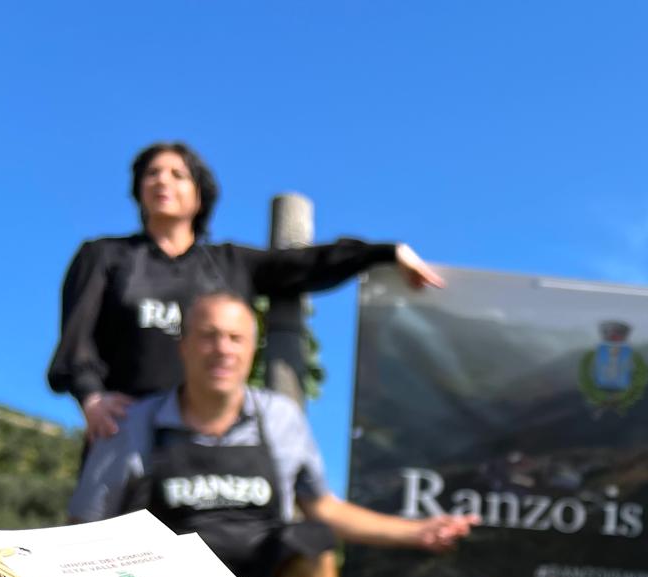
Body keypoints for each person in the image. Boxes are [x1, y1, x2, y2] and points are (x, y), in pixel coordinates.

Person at [70, 291, 476, 577]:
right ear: (185, 347)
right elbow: (85, 528)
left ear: (252, 349)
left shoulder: (281, 418)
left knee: (314, 543)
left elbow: (325, 509)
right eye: (209, 336)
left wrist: (419, 532)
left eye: (235, 338)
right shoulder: (130, 425)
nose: (222, 349)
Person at [48, 141, 443, 441]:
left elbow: (307, 264)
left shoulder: (229, 264)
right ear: (138, 189)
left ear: (200, 194)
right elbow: (77, 338)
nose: (161, 181)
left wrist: (384, 253)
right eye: (152, 173)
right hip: (126, 431)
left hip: (210, 440)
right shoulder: (104, 256)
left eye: (177, 174)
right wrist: (91, 397)